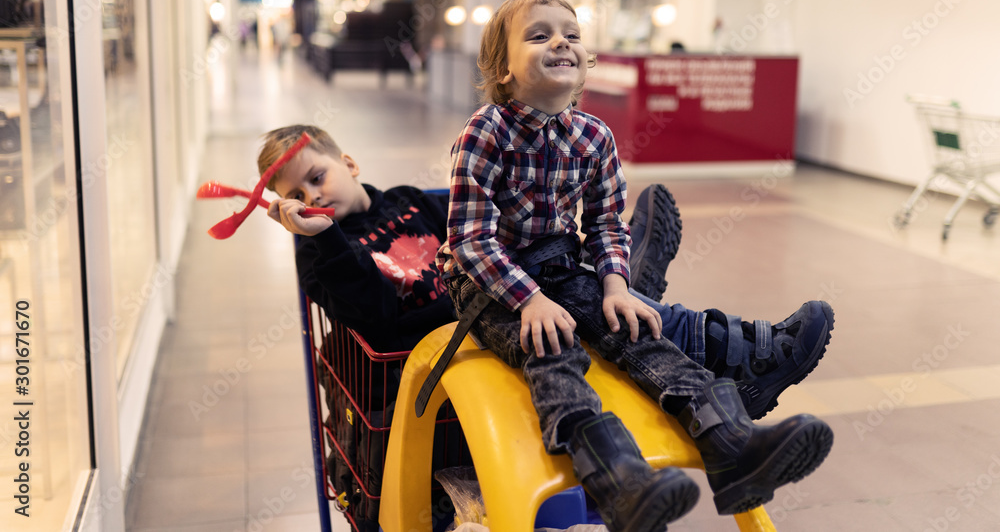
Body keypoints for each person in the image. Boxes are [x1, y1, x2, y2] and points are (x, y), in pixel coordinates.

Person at [434, 0, 833, 531]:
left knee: (640, 331)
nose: (561, 43)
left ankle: (733, 447)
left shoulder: (594, 136)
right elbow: (471, 240)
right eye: (539, 34)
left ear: (585, 61)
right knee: (554, 350)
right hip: (486, 282)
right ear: (503, 68)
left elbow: (602, 225)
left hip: (558, 263)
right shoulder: (487, 130)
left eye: (572, 35)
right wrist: (529, 302)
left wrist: (616, 286)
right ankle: (619, 482)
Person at [260, 125, 832, 421]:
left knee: (563, 282)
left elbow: (489, 231)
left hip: (505, 308)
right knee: (583, 303)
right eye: (295, 195)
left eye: (317, 177)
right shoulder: (325, 259)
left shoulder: (413, 200)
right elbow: (376, 322)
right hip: (443, 348)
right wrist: (325, 239)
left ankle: (624, 280)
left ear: (349, 165)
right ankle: (663, 301)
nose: (312, 195)